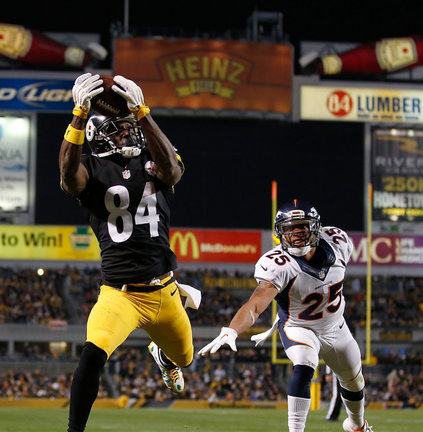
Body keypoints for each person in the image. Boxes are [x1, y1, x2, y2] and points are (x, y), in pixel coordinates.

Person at [59, 73, 198, 432]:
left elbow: (173, 169)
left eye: (129, 128)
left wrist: (142, 112)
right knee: (92, 354)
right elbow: (67, 175)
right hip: (120, 296)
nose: (128, 134)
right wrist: (78, 115)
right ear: (98, 136)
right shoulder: (90, 168)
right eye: (119, 130)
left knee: (185, 357)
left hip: (165, 291)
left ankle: (164, 358)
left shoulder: (154, 157)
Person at [198, 199, 373, 432]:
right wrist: (232, 329)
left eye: (301, 226)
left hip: (335, 326)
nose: (296, 234)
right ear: (280, 233)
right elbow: (257, 302)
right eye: (289, 229)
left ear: (315, 227)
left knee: (353, 381)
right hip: (299, 326)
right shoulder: (278, 263)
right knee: (304, 362)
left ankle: (357, 425)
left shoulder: (338, 242)